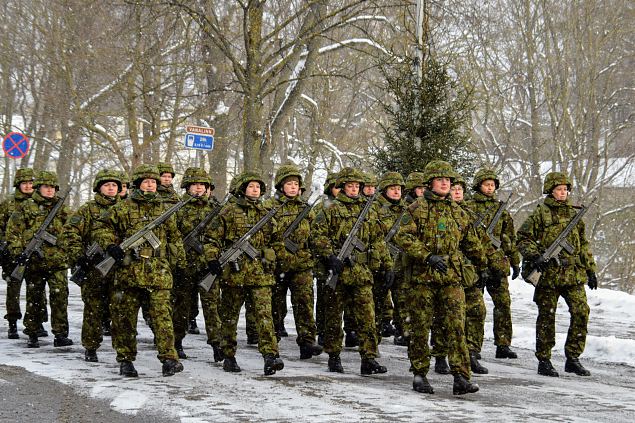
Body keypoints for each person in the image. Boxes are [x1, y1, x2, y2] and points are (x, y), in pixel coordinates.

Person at [394, 160, 505, 395]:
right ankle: (420, 373)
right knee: (421, 326)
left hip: (451, 278)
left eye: (449, 180)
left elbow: (474, 243)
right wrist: (427, 256)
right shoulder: (416, 209)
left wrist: (489, 266)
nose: (445, 183)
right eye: (440, 179)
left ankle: (461, 376)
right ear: (430, 183)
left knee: (456, 325)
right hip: (422, 277)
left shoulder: (458, 211)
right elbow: (403, 237)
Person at [96, 164, 185, 377]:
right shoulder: (122, 208)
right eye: (146, 182)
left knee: (163, 317)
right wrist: (111, 246)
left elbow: (175, 239)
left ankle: (169, 359)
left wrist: (178, 264)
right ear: (137, 184)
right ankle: (126, 359)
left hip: (159, 272)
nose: (150, 185)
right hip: (129, 271)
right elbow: (101, 228)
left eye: (153, 182)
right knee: (125, 319)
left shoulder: (164, 210)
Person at [311, 167, 392, 375]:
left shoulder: (368, 211)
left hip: (362, 272)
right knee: (334, 316)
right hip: (338, 273)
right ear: (343, 187)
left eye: (357, 186)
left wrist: (386, 265)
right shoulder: (330, 210)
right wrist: (329, 257)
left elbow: (378, 241)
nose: (355, 189)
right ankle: (334, 355)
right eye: (350, 186)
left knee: (366, 316)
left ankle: (368, 358)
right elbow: (318, 236)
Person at [516, 172, 597, 377]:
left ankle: (573, 358)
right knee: (546, 317)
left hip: (572, 274)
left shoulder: (574, 214)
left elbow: (583, 244)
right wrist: (536, 256)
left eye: (565, 189)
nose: (563, 193)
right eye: (559, 189)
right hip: (549, 275)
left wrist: (590, 269)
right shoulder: (540, 213)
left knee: (581, 312)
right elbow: (523, 238)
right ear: (550, 190)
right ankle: (544, 359)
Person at [203, 171, 284, 376]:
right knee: (230, 317)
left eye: (258, 187)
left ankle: (270, 356)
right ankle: (228, 354)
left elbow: (277, 241)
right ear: (242, 189)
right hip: (234, 275)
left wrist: (270, 254)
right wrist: (213, 259)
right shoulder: (228, 212)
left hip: (260, 275)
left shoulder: (266, 213)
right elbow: (212, 239)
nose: (255, 190)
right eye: (251, 187)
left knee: (264, 317)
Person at [5, 170, 72, 349]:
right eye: (46, 187)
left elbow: (73, 231)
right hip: (34, 261)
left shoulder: (62, 208)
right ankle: (32, 332)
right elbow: (13, 232)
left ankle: (60, 334)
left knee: (60, 297)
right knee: (34, 298)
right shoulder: (26, 207)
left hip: (57, 262)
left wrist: (66, 250)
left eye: (52, 187)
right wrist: (19, 252)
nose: (49, 190)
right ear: (39, 188)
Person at [60, 169, 122, 361]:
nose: (111, 188)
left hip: (119, 268)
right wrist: (79, 257)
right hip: (94, 267)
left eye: (114, 185)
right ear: (99, 188)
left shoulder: (126, 208)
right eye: (107, 185)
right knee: (93, 309)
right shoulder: (87, 210)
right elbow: (69, 233)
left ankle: (123, 351)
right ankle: (91, 346)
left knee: (120, 309)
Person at [430, 174, 489, 375]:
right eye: (453, 188)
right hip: (444, 270)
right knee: (442, 315)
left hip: (467, 272)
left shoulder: (467, 215)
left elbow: (477, 243)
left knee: (477, 310)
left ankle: (471, 353)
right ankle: (440, 354)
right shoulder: (435, 211)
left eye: (459, 190)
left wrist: (484, 266)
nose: (456, 192)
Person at [266, 164, 322, 359]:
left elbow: (315, 235)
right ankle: (271, 345)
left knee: (304, 304)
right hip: (277, 265)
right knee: (275, 306)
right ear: (281, 186)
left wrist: (315, 255)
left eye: (296, 184)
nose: (292, 187)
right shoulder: (269, 208)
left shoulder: (306, 210)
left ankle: (307, 342)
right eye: (289, 183)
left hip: (302, 265)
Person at [465, 168, 520, 360]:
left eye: (492, 185)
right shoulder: (467, 207)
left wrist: (514, 260)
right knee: (475, 308)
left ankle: (503, 344)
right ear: (478, 186)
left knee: (503, 304)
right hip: (474, 264)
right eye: (486, 184)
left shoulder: (501, 209)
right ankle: (472, 346)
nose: (489, 188)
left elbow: (508, 237)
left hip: (497, 264)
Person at [174, 167, 223, 362]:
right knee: (181, 308)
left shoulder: (216, 209)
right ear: (187, 187)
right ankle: (176, 342)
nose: (199, 188)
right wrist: (176, 262)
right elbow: (172, 237)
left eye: (202, 185)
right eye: (195, 185)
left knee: (212, 308)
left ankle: (217, 345)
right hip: (185, 266)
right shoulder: (178, 209)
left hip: (207, 266)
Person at [1, 168, 48, 340]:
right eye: (24, 183)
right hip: (13, 254)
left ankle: (38, 322)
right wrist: (6, 248)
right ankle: (13, 323)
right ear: (18, 184)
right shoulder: (9, 204)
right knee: (13, 290)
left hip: (36, 254)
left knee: (37, 290)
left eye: (30, 183)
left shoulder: (42, 202)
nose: (28, 186)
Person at [370, 171, 406, 343]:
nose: (396, 192)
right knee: (377, 301)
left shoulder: (406, 209)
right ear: (384, 190)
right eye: (392, 188)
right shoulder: (374, 208)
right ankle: (374, 334)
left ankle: (402, 332)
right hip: (380, 263)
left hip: (400, 261)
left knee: (403, 300)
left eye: (398, 188)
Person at [393, 171, 427, 346]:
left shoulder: (424, 207)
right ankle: (401, 329)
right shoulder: (408, 208)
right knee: (401, 295)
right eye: (419, 188)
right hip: (402, 258)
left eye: (424, 188)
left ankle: (407, 329)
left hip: (419, 258)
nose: (422, 191)